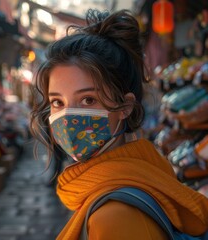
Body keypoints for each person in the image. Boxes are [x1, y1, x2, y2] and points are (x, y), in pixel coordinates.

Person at [29, 9, 208, 240]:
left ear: (125, 107)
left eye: (88, 100)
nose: (67, 117)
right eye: (57, 101)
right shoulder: (142, 174)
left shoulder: (115, 217)